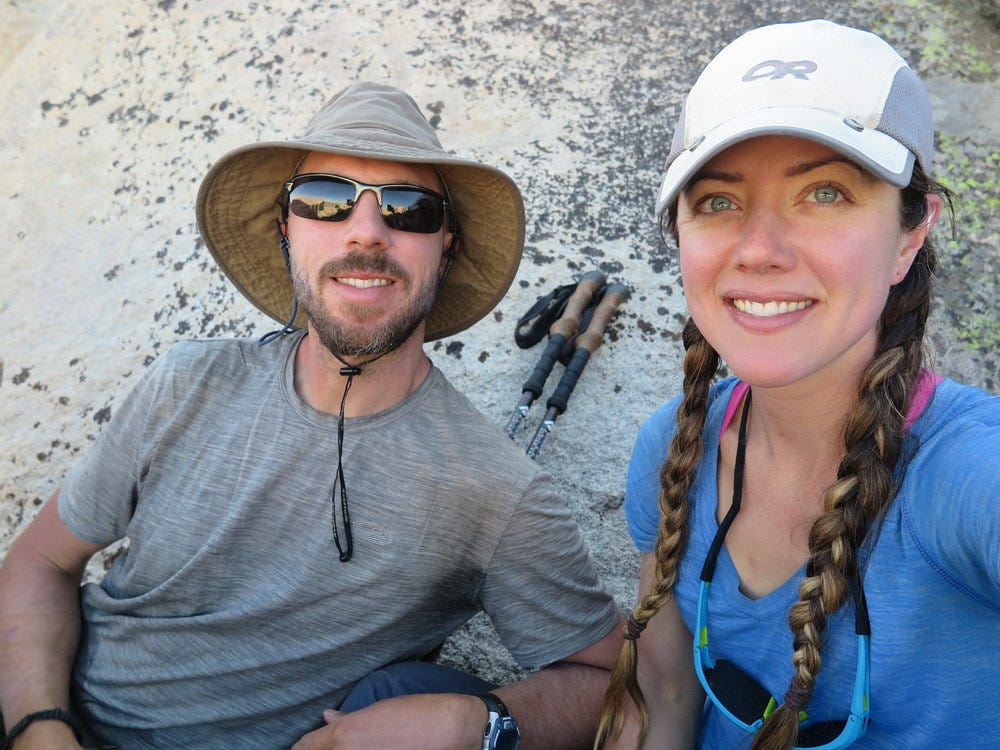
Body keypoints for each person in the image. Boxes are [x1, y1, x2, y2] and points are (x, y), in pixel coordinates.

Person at [0, 81, 623, 750]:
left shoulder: (496, 492)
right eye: (323, 200)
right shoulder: (187, 382)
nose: (366, 232)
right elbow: (39, 564)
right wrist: (40, 727)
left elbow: (613, 683)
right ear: (285, 229)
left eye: (409, 210)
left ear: (447, 247)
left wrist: (471, 722)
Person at [594, 19, 999, 750]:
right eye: (718, 201)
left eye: (825, 194)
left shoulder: (970, 479)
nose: (759, 250)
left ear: (912, 233)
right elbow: (665, 690)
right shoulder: (670, 448)